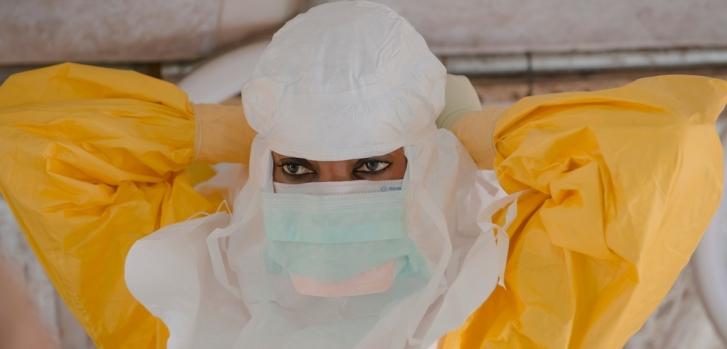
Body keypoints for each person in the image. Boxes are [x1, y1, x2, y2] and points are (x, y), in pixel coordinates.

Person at [0, 1, 726, 348]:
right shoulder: (505, 330)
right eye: (301, 169)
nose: (335, 196)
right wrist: (238, 132)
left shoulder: (173, 321)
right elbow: (26, 136)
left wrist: (468, 141)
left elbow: (670, 151)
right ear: (263, 173)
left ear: (429, 166)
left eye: (374, 164)